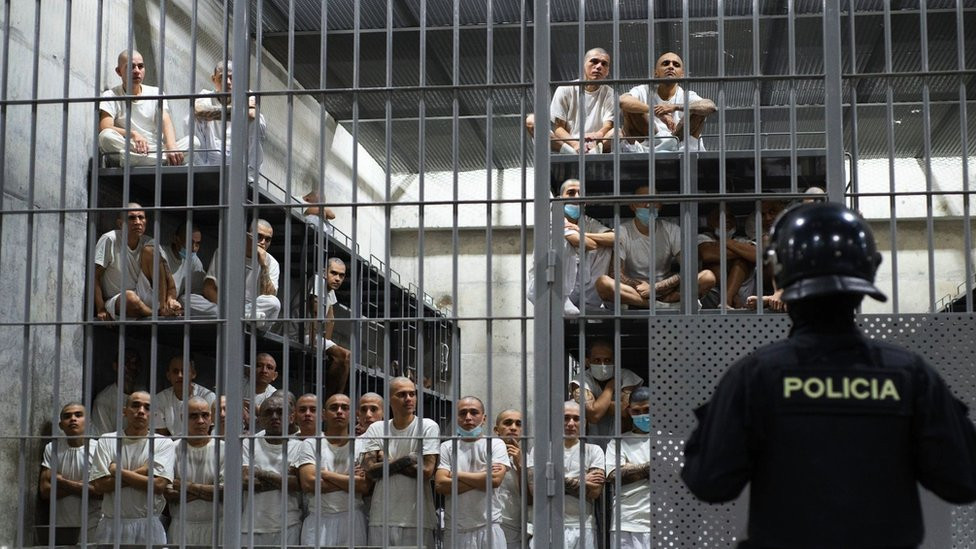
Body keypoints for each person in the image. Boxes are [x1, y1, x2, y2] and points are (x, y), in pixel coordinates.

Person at [682, 202, 976, 548]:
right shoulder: (911, 376)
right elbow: (962, 481)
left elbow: (709, 482)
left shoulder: (755, 376)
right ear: (869, 269)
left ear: (780, 269)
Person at [595, 187, 715, 307]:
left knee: (707, 277)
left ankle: (655, 304)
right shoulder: (622, 232)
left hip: (666, 291)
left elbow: (689, 268)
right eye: (643, 200)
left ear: (660, 205)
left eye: (654, 200)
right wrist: (644, 289)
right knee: (604, 283)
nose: (649, 205)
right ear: (632, 206)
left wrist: (655, 288)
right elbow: (616, 274)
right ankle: (658, 306)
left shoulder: (672, 230)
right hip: (634, 291)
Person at [359, 377, 440, 546]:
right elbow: (371, 471)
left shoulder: (427, 426)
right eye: (402, 394)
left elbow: (426, 471)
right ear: (389, 400)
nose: (409, 398)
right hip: (381, 518)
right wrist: (408, 459)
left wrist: (388, 461)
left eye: (412, 394)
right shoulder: (377, 428)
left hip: (417, 519)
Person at [89, 391, 176, 545]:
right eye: (135, 405)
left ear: (153, 414)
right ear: (124, 411)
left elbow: (158, 485)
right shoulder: (107, 440)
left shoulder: (163, 443)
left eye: (147, 407)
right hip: (111, 525)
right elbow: (99, 486)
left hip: (148, 525)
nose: (141, 411)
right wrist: (143, 471)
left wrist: (117, 471)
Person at [529, 179, 614, 315]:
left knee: (606, 247)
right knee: (565, 241)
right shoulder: (553, 218)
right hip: (546, 288)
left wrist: (583, 232)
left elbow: (615, 238)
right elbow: (586, 243)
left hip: (575, 288)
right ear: (560, 199)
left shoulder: (587, 221)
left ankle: (589, 303)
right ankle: (560, 299)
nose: (576, 197)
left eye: (580, 193)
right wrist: (587, 237)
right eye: (571, 193)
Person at [435, 396, 510, 548]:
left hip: (489, 527)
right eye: (463, 413)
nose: (468, 417)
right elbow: (441, 485)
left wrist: (456, 474)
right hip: (456, 530)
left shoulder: (495, 444)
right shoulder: (447, 447)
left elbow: (495, 481)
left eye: (474, 412)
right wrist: (483, 478)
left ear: (483, 418)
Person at [527, 400, 604, 548]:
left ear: (584, 422)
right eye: (565, 418)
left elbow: (594, 491)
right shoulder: (540, 450)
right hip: (547, 525)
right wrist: (582, 480)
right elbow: (536, 490)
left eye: (576, 418)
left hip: (583, 526)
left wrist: (552, 481)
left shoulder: (594, 451)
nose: (570, 423)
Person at [98, 50, 193, 166]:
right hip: (130, 146)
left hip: (154, 148)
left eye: (140, 66)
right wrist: (133, 134)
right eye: (131, 67)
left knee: (194, 142)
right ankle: (160, 161)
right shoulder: (111, 95)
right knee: (105, 137)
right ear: (119, 71)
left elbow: (165, 120)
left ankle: (134, 161)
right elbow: (105, 126)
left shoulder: (155, 93)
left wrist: (171, 146)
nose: (137, 71)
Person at [297, 393, 369, 546]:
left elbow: (364, 485)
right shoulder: (311, 444)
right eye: (334, 407)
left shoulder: (362, 445)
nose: (339, 411)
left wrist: (324, 474)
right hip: (318, 518)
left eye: (345, 407)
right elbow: (309, 484)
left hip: (353, 519)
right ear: (323, 414)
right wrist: (348, 479)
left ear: (353, 414)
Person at [93, 203, 181, 320]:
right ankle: (157, 314)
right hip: (118, 299)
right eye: (132, 218)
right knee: (130, 297)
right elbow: (94, 276)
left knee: (151, 251)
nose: (138, 222)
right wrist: (100, 308)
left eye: (141, 217)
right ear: (120, 224)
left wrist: (171, 300)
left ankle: (163, 307)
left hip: (144, 294)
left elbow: (170, 284)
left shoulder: (150, 242)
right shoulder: (110, 239)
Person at [619, 51, 716, 152]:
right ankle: (662, 143)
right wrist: (655, 111)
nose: (671, 67)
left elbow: (711, 106)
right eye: (665, 63)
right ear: (655, 73)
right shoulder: (643, 90)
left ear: (682, 75)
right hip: (649, 143)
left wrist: (675, 107)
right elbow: (622, 101)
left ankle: (673, 144)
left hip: (681, 142)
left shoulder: (687, 95)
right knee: (630, 107)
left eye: (676, 65)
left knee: (697, 108)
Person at [241, 390, 303, 545]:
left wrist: (261, 473)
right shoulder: (249, 443)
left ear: (291, 418)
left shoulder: (301, 446)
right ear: (260, 419)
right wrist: (284, 480)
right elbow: (245, 481)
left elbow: (298, 484)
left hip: (289, 525)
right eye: (268, 413)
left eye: (280, 412)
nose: (275, 417)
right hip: (251, 525)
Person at [189, 218, 281, 322]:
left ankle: (243, 316)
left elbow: (268, 296)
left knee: (274, 303)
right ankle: (244, 317)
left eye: (267, 239)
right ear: (246, 235)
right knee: (188, 299)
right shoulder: (225, 252)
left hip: (255, 308)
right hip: (225, 305)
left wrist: (264, 266)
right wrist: (228, 309)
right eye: (259, 236)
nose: (263, 242)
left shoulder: (272, 263)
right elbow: (208, 288)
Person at [526, 48, 614, 154]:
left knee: (617, 133)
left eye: (604, 64)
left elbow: (608, 126)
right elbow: (558, 128)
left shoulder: (611, 93)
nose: (599, 66)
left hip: (596, 144)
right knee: (532, 121)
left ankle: (592, 153)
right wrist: (576, 145)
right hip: (569, 144)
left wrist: (597, 136)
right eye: (594, 61)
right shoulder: (565, 89)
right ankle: (572, 153)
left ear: (607, 71)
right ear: (583, 64)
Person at [193, 60, 267, 181]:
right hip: (212, 151)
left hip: (238, 154)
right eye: (222, 77)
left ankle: (251, 175)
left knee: (258, 121)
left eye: (232, 78)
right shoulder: (205, 95)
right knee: (190, 118)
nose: (227, 82)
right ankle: (200, 167)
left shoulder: (248, 95)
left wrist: (212, 113)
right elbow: (198, 110)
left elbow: (252, 114)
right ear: (213, 79)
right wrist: (239, 111)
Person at [164, 396, 224, 546]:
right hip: (181, 528)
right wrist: (210, 491)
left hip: (218, 527)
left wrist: (186, 486)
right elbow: (168, 494)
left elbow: (224, 493)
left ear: (211, 418)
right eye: (193, 416)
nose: (200, 421)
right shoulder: (172, 448)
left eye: (205, 415)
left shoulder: (224, 448)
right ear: (183, 418)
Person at [39, 403, 101, 545]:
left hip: (94, 524)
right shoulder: (52, 448)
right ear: (61, 425)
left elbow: (100, 492)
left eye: (78, 415)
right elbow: (45, 491)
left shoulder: (98, 449)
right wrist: (85, 485)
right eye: (67, 416)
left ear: (88, 422)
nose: (73, 419)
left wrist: (60, 481)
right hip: (62, 526)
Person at [569, 338, 643, 446]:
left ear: (614, 361)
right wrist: (610, 387)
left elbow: (625, 410)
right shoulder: (580, 379)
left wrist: (597, 405)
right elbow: (594, 416)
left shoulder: (626, 375)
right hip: (589, 444)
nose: (602, 365)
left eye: (607, 360)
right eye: (597, 360)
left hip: (622, 443)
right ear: (588, 362)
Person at [604, 387, 652, 548]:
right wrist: (648, 468)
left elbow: (675, 477)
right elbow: (613, 476)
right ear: (629, 411)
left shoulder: (669, 441)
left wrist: (631, 469)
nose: (642, 415)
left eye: (647, 410)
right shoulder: (617, 442)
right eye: (637, 411)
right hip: (626, 522)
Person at [697, 203, 756, 309]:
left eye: (730, 217)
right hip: (712, 299)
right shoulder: (702, 238)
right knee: (715, 264)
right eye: (720, 216)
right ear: (709, 221)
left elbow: (757, 255)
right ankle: (730, 298)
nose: (726, 220)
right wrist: (741, 251)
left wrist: (725, 242)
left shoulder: (742, 240)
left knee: (741, 262)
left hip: (745, 301)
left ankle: (727, 299)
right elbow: (707, 254)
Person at [308, 257, 352, 394]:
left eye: (341, 275)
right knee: (344, 355)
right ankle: (331, 398)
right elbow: (314, 312)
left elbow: (331, 318)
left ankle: (336, 397)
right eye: (333, 273)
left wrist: (326, 343)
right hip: (303, 334)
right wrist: (314, 343)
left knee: (346, 357)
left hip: (315, 336)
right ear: (323, 272)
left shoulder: (329, 290)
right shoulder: (318, 281)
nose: (338, 278)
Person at [744, 198, 790, 312]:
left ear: (782, 209)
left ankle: (771, 298)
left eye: (772, 212)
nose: (768, 218)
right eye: (763, 214)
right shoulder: (757, 229)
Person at [154, 356, 217, 437]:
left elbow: (212, 431)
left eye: (184, 371)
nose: (180, 375)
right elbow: (161, 436)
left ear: (193, 374)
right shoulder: (160, 399)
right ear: (168, 375)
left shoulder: (208, 396)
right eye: (175, 371)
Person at [91, 349, 143, 436]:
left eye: (136, 363)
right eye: (127, 362)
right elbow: (104, 438)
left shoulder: (146, 394)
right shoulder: (103, 400)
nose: (133, 367)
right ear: (115, 366)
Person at [493, 409, 525, 549]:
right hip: (486, 525)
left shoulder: (529, 459)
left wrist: (520, 464)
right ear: (496, 430)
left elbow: (532, 497)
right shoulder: (484, 455)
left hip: (515, 529)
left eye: (518, 424)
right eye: (508, 423)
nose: (513, 428)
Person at [159, 222, 205, 301]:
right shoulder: (161, 253)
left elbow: (197, 294)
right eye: (190, 242)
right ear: (176, 239)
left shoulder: (194, 261)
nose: (193, 248)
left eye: (197, 244)